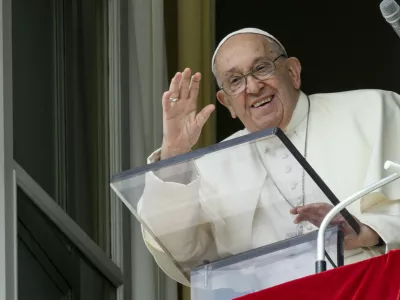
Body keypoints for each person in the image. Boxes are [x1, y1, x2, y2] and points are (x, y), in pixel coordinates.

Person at [138, 28, 400, 286]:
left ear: (293, 72)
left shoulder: (375, 110)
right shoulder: (211, 166)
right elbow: (181, 251)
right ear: (227, 102)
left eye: (262, 68)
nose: (252, 87)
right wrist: (174, 152)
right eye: (235, 81)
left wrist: (367, 231)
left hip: (372, 286)